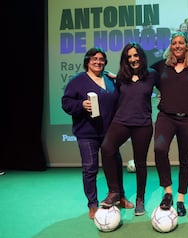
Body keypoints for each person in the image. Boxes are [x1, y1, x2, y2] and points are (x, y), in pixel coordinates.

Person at [61, 47, 134, 220]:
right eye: (94, 59)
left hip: (110, 131)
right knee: (90, 168)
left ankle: (119, 197)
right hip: (87, 133)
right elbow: (66, 102)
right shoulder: (78, 81)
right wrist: (81, 105)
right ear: (87, 61)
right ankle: (92, 205)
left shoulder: (109, 79)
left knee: (115, 165)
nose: (98, 62)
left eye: (101, 59)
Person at [99, 42, 159, 216]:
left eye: (135, 55)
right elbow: (118, 96)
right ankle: (114, 191)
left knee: (140, 163)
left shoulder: (152, 75)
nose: (133, 59)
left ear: (141, 55)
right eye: (129, 57)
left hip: (142, 124)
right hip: (122, 121)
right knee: (107, 148)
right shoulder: (122, 76)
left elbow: (168, 86)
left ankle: (140, 199)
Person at [150, 31, 188, 217]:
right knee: (159, 149)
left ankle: (180, 198)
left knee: (185, 159)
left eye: (181, 42)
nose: (178, 46)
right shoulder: (160, 67)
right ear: (170, 46)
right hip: (166, 117)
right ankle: (168, 192)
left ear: (187, 46)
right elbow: (141, 74)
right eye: (174, 43)